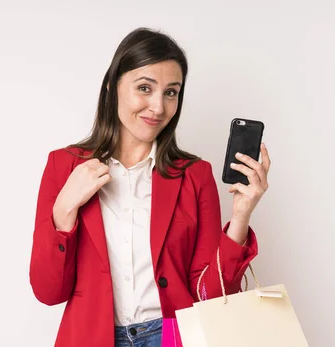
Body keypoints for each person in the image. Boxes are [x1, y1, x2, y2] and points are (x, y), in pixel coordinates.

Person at [29, 27, 271, 347]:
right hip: (92, 337)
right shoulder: (65, 167)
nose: (158, 107)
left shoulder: (195, 175)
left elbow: (209, 295)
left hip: (172, 337)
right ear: (111, 87)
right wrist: (64, 209)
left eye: (171, 92)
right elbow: (48, 292)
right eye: (145, 87)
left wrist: (240, 217)